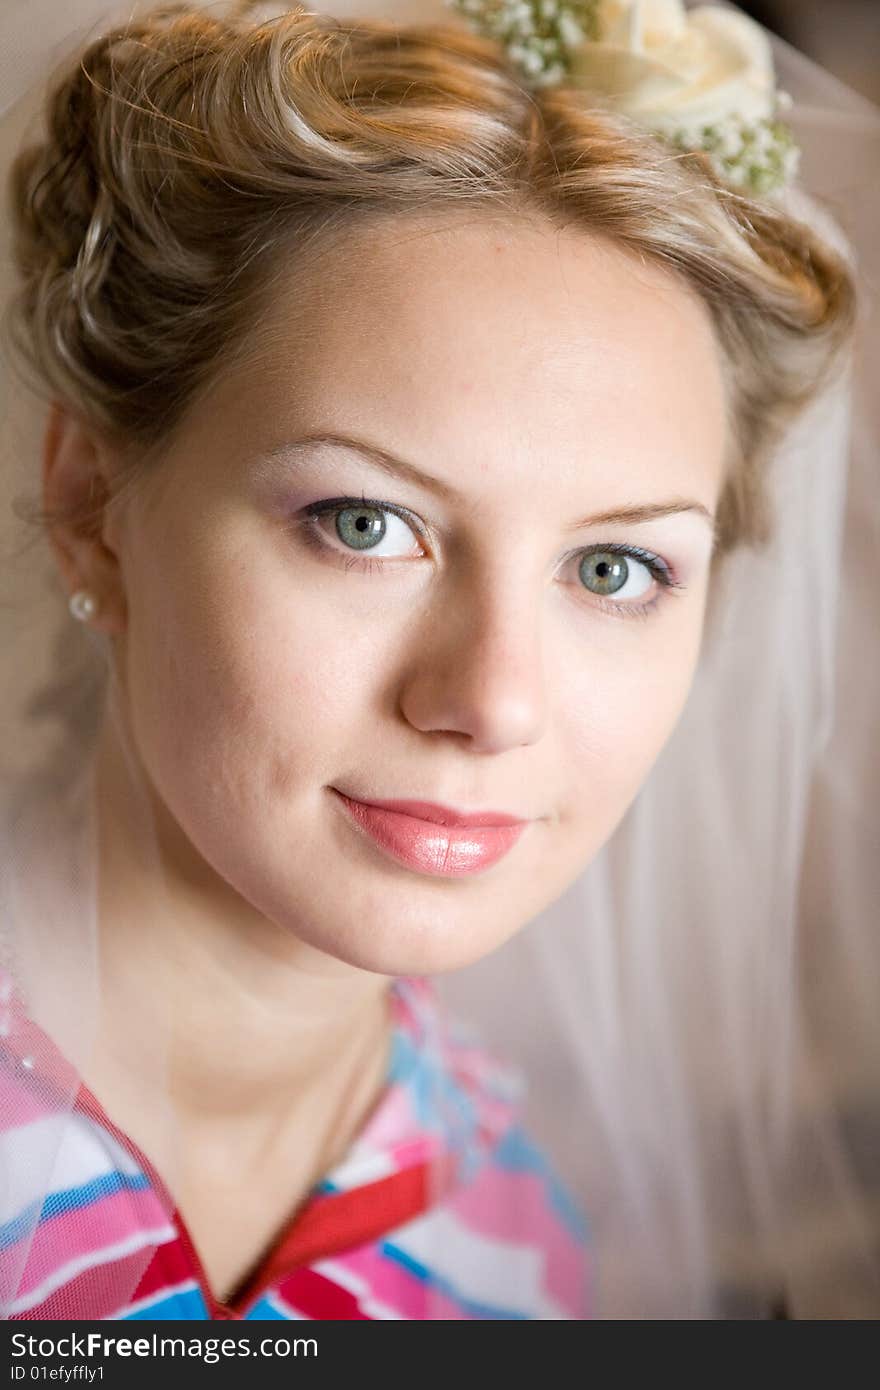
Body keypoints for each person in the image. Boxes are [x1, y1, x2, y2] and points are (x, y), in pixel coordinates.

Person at [0, 0, 876, 1320]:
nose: (493, 700)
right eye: (365, 525)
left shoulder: (512, 1248)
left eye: (613, 569)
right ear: (93, 508)